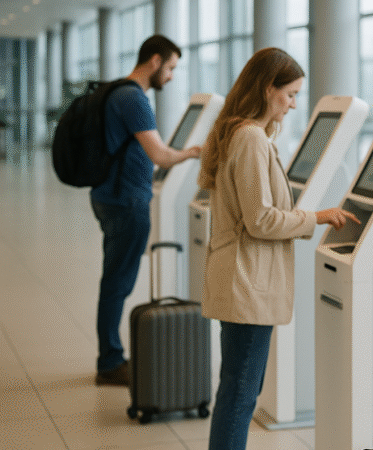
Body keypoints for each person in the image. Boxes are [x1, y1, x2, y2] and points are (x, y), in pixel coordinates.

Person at [197, 47, 359, 450]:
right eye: (289, 94)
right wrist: (317, 218)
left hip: (236, 274)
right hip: (247, 281)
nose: (292, 104)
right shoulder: (250, 137)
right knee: (241, 392)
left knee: (234, 386)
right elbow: (262, 219)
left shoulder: (234, 131)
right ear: (268, 88)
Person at [92, 34, 201, 386]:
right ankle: (110, 361)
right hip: (127, 201)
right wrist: (195, 151)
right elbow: (160, 155)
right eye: (169, 67)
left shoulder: (117, 92)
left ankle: (109, 355)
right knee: (118, 282)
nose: (170, 76)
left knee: (115, 279)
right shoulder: (133, 98)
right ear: (154, 61)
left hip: (111, 195)